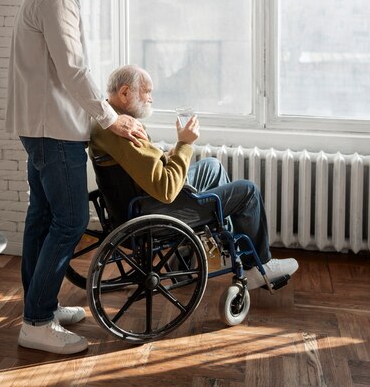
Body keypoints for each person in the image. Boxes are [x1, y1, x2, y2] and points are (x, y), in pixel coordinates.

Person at [5, 0, 147, 355]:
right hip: (54, 128)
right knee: (68, 221)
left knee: (43, 217)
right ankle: (36, 322)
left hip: (40, 125)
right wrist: (111, 117)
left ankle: (39, 306)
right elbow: (73, 70)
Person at [89, 64, 299, 292]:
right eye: (147, 91)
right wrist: (184, 144)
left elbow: (144, 167)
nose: (151, 98)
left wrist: (171, 152)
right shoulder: (124, 131)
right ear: (125, 93)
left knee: (212, 166)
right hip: (152, 211)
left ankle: (209, 252)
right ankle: (257, 267)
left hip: (139, 201)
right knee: (247, 191)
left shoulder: (110, 121)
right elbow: (166, 188)